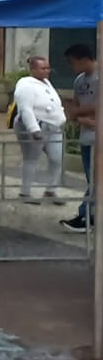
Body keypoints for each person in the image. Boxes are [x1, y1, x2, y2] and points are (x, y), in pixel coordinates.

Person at [14, 55, 67, 201]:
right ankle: (25, 192)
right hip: (36, 125)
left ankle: (51, 189)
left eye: (48, 68)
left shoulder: (47, 83)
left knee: (57, 159)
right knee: (31, 159)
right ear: (33, 69)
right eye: (43, 68)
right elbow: (26, 109)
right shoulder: (26, 85)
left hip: (54, 126)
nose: (47, 71)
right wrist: (34, 129)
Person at [63, 44, 96, 232]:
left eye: (72, 62)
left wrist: (79, 111)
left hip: (97, 136)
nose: (71, 66)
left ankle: (85, 215)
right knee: (92, 180)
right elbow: (73, 108)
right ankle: (88, 215)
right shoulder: (79, 81)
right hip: (86, 135)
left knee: (96, 180)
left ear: (84, 59)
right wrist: (79, 114)